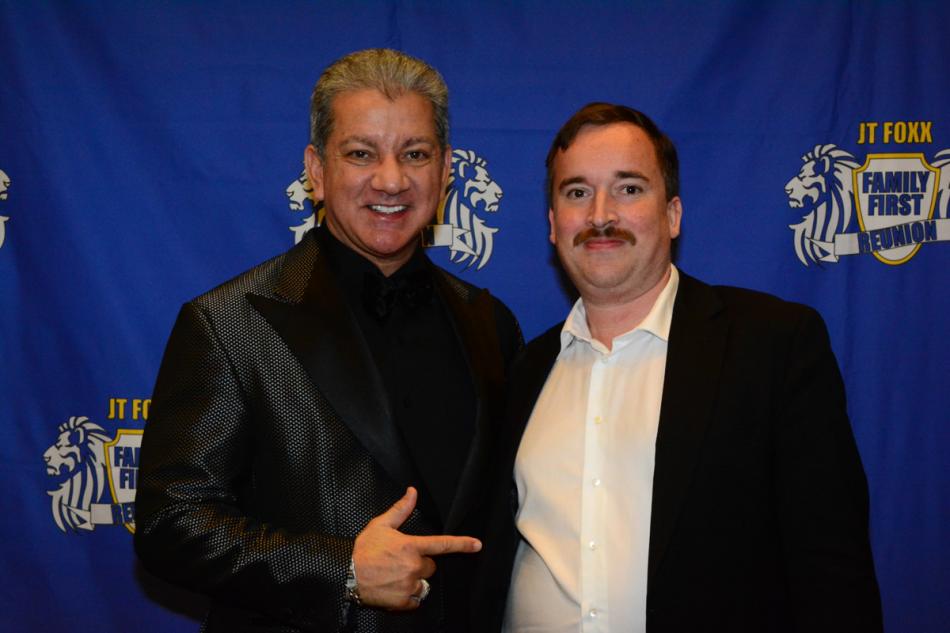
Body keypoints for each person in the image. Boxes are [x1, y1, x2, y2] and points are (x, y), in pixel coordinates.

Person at [134, 48, 522, 633]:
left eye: (414, 154)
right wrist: (342, 570)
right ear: (316, 170)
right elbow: (170, 523)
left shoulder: (491, 323)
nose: (390, 180)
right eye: (361, 153)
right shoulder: (229, 323)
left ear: (446, 170)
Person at [480, 103, 882, 633]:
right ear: (554, 225)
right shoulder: (525, 368)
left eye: (628, 188)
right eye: (577, 192)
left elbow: (833, 571)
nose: (600, 215)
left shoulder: (772, 346)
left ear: (672, 215)